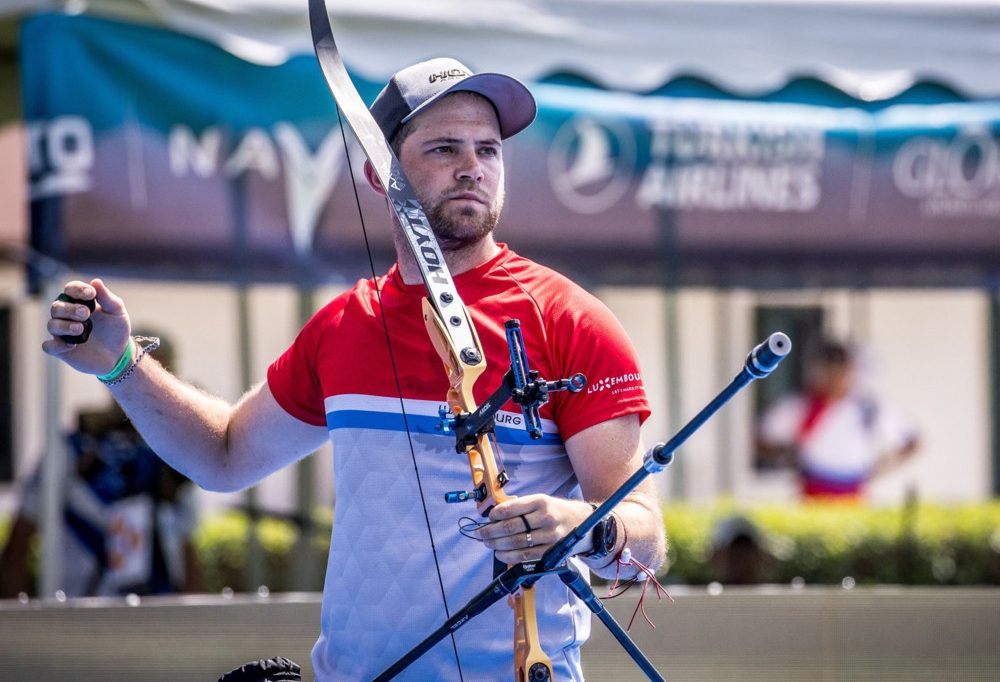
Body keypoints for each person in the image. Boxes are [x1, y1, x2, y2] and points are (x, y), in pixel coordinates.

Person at [42, 58, 666, 680]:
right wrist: (119, 364)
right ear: (379, 171)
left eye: (489, 150)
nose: (473, 167)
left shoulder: (571, 321)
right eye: (444, 147)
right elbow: (225, 455)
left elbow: (645, 536)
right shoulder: (345, 326)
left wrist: (585, 528)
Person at [1, 336, 201, 598]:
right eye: (140, 373)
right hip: (82, 613)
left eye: (163, 378)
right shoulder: (70, 450)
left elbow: (186, 549)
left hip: (157, 620)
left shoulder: (176, 455)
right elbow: (19, 545)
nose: (152, 389)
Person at [757, 339, 919, 500]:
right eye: (828, 370)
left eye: (840, 370)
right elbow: (761, 439)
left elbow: (912, 441)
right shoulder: (800, 407)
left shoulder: (868, 408)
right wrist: (785, 458)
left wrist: (880, 468)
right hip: (812, 492)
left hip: (854, 492)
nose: (834, 377)